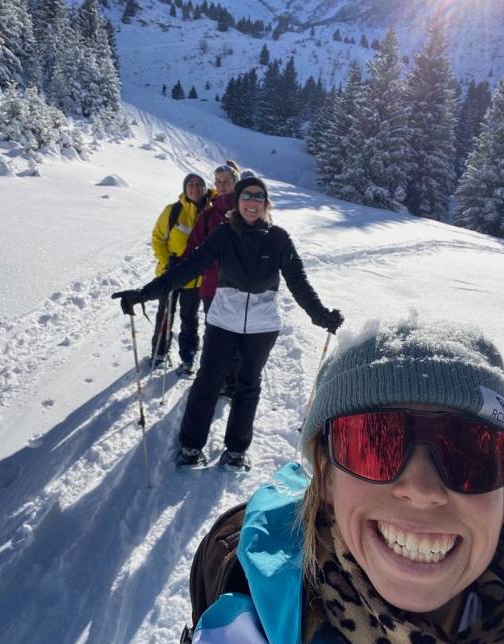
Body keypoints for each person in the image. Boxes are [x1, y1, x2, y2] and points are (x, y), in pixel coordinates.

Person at [184, 317, 504, 644]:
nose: (422, 490)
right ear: (326, 476)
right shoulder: (253, 637)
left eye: (471, 454)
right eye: (375, 444)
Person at [113, 176, 343, 471]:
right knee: (208, 382)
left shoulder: (279, 239)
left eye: (259, 197)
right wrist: (145, 293)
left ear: (266, 203)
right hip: (223, 322)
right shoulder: (223, 235)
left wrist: (321, 316)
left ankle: (236, 450)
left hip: (261, 327)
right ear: (237, 201)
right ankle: (190, 447)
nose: (252, 202)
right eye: (246, 195)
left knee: (247, 386)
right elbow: (187, 269)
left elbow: (299, 282)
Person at [185, 161, 240, 395]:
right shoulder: (208, 215)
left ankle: (232, 379)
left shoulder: (246, 209)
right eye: (218, 182)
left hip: (239, 285)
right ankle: (214, 378)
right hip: (211, 286)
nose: (222, 185)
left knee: (237, 333)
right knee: (214, 333)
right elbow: (192, 247)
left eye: (226, 181)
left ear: (235, 182)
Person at [149, 172, 211, 373]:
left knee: (189, 317)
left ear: (204, 188)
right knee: (165, 313)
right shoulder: (172, 211)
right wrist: (168, 260)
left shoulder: (211, 211)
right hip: (170, 272)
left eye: (199, 184)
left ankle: (188, 356)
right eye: (190, 184)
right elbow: (158, 238)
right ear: (185, 188)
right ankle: (159, 352)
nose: (195, 188)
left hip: (195, 277)